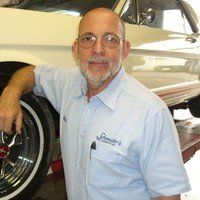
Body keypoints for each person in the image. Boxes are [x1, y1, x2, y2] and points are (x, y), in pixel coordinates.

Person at [0, 7, 190, 200]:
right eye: (88, 39)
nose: (98, 49)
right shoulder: (68, 82)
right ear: (76, 49)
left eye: (110, 39)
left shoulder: (151, 114)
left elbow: (167, 196)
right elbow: (31, 74)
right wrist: (11, 91)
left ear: (124, 50)